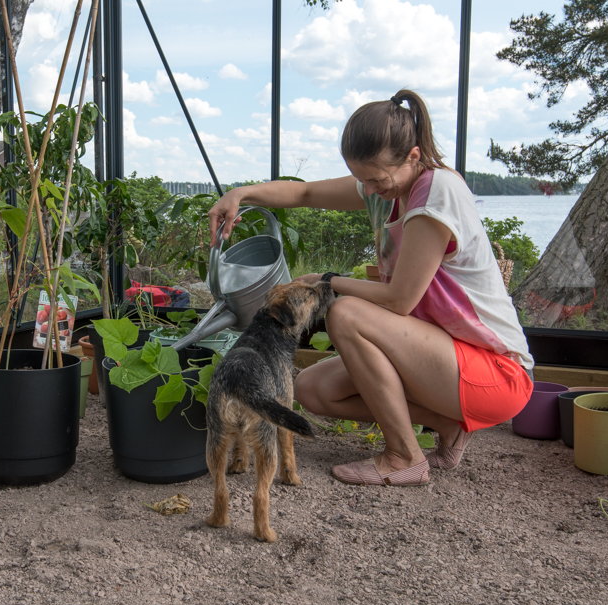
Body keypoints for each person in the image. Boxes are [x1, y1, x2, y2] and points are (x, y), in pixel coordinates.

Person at [206, 89, 533, 486]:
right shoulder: (385, 185)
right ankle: (447, 424)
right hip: (441, 355)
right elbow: (306, 193)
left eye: (377, 179)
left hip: (495, 372)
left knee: (344, 313)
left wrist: (326, 281)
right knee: (313, 389)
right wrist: (241, 193)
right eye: (362, 180)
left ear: (413, 156)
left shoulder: (437, 193)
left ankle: (404, 456)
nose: (370, 191)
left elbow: (400, 300)